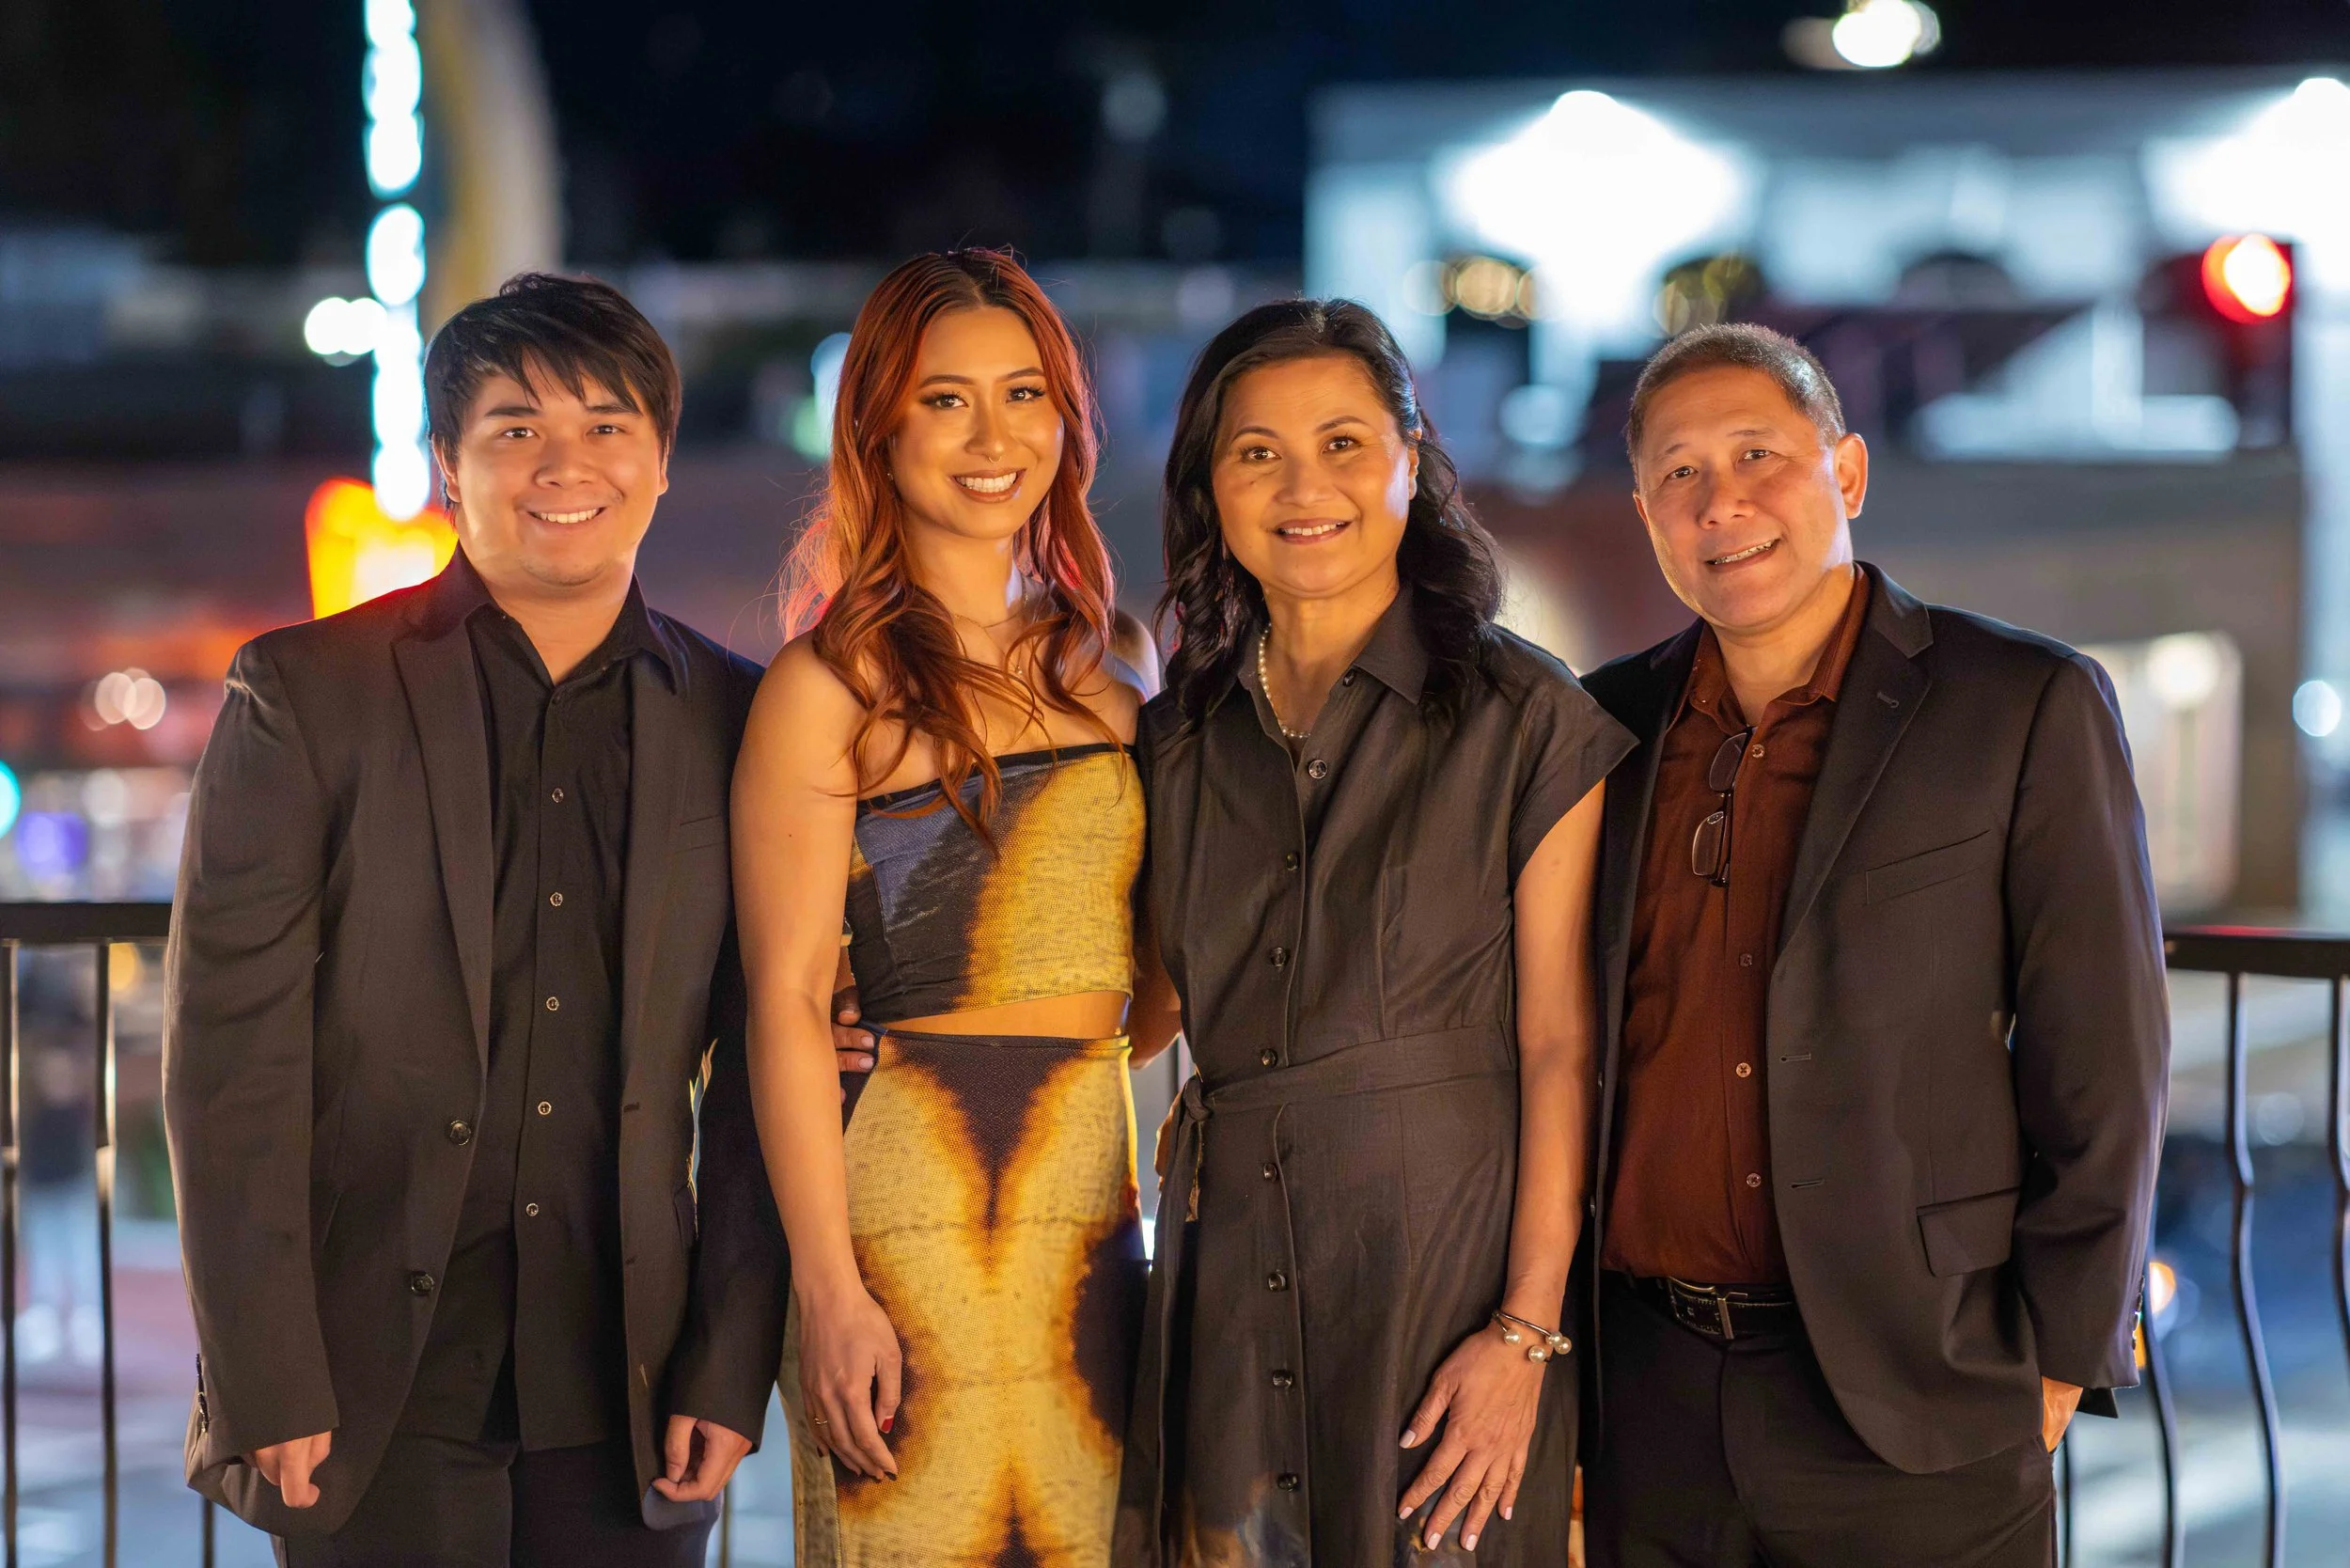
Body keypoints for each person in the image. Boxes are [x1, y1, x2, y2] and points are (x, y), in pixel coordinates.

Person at [164, 273, 790, 1564]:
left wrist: (731, 1366)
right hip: (365, 1382)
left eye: (608, 425)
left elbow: (762, 1073)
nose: (566, 464)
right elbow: (232, 1062)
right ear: (449, 464)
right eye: (515, 429)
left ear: (662, 460)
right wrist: (265, 1378)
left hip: (630, 1376)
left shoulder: (745, 719)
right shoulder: (307, 695)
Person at [1576, 321, 2170, 1566]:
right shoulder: (1602, 726)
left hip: (1921, 1388)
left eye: (1757, 455)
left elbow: (2102, 1055)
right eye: (1680, 473)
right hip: (1646, 1393)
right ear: (1646, 516)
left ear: (1845, 474)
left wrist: (2061, 1363)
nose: (1720, 500)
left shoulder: (2018, 704)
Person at [1115, 300, 1633, 1566]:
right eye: (1257, 453)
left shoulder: (1527, 715)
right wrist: (895, 1019)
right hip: (1227, 1271)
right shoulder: (1175, 740)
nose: (1305, 487)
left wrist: (1523, 1333)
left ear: (1413, 460)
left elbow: (1564, 1045)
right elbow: (1137, 1010)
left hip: (1444, 1277)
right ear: (1210, 486)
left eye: (1344, 443)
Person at [732, 248, 1181, 1565]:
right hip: (904, 1225)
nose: (994, 438)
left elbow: (1144, 983)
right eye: (945, 401)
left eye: (1025, 393)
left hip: (1098, 1209)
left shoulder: (1116, 661)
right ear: (875, 425)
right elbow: (779, 1007)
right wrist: (829, 1291)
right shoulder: (826, 689)